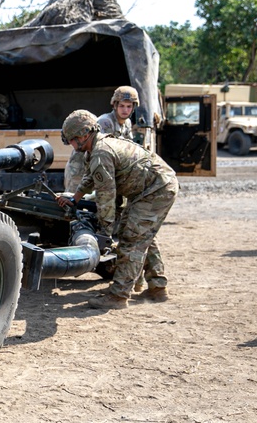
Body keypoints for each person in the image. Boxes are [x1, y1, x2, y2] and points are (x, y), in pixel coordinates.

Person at [57, 109, 178, 310]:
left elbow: (106, 197)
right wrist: (75, 198)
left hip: (156, 190)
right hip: (151, 188)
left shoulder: (101, 152)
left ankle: (119, 296)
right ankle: (157, 287)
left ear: (83, 135)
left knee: (132, 238)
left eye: (71, 140)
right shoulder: (99, 146)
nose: (70, 144)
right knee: (142, 235)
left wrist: (105, 231)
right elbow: (93, 177)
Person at [64, 86, 138, 193]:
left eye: (129, 106)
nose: (125, 110)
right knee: (73, 200)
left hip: (97, 166)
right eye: (122, 106)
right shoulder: (105, 122)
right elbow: (99, 150)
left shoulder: (127, 123)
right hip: (80, 167)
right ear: (115, 105)